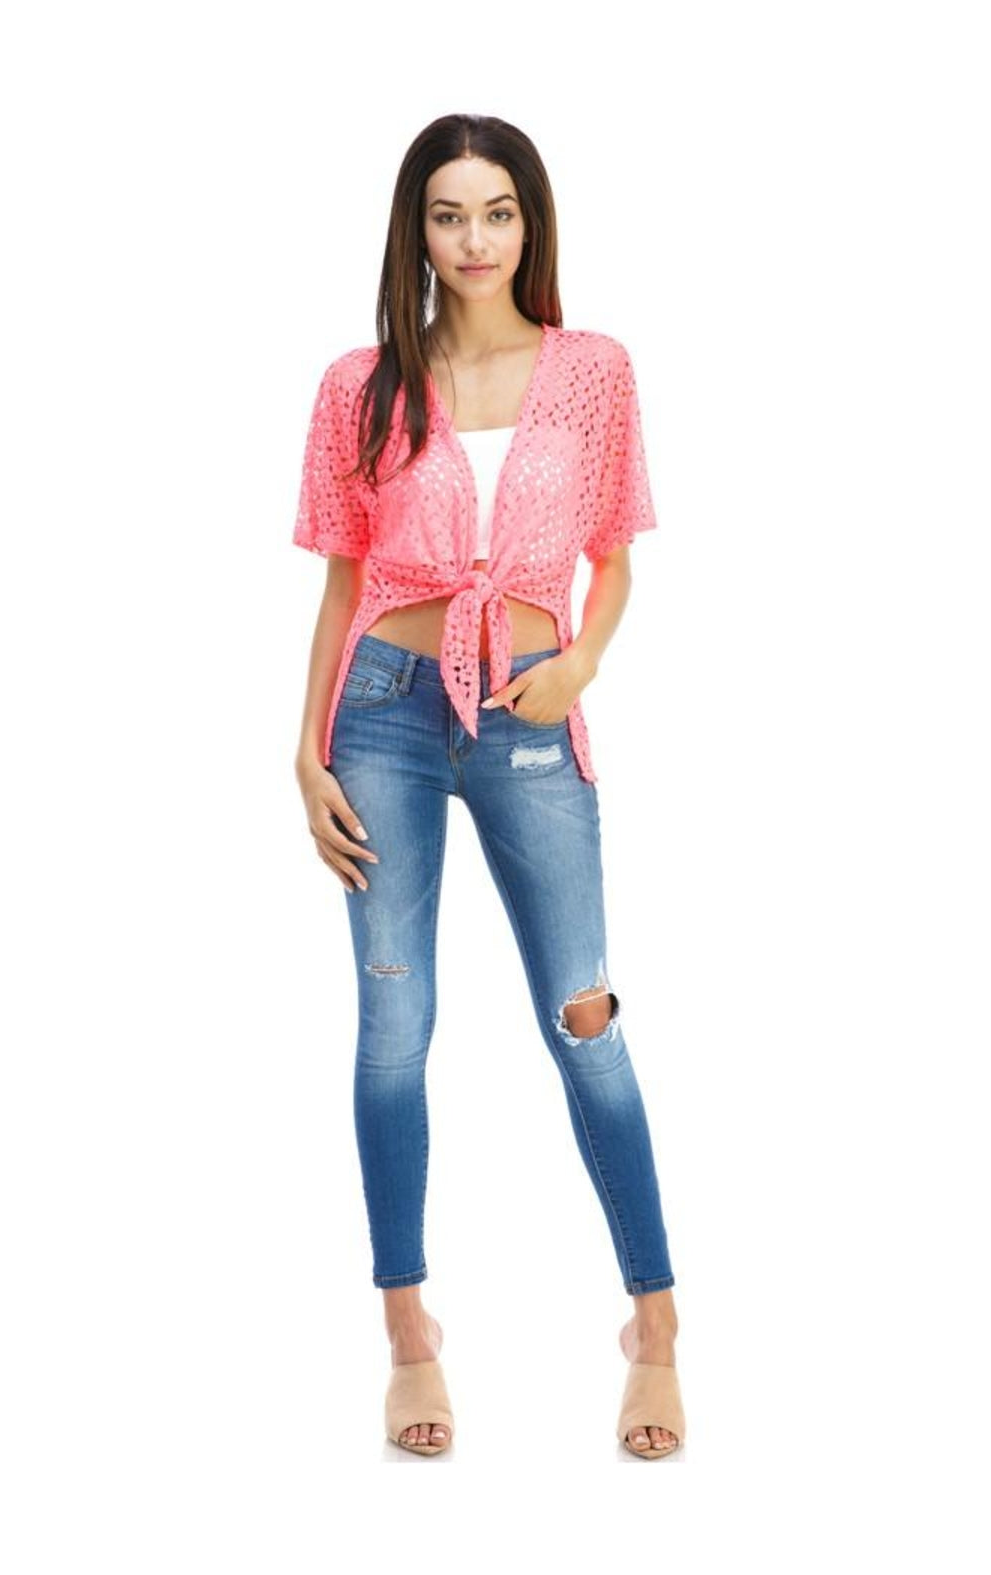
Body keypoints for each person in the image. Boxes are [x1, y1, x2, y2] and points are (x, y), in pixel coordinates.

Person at [292, 113, 685, 1459]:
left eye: (498, 211)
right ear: (415, 229)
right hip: (382, 715)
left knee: (584, 1014)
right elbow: (344, 581)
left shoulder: (590, 370)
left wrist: (579, 664)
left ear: (530, 223)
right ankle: (409, 1331)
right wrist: (306, 749)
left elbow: (614, 553)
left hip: (527, 709)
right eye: (449, 213)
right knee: (392, 1026)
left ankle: (655, 1325)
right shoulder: (360, 384)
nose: (474, 239)